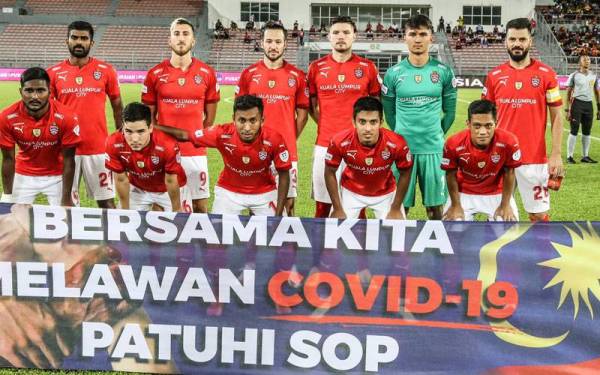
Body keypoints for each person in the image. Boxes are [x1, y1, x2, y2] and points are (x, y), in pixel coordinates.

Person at [483, 17, 564, 222]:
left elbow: (557, 117)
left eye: (522, 39)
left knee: (538, 215)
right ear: (505, 41)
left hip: (534, 158)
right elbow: (484, 119)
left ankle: (543, 253)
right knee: (500, 216)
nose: (517, 44)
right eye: (512, 39)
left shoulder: (547, 74)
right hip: (500, 158)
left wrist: (555, 154)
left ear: (530, 41)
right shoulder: (494, 76)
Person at [382, 14, 457, 220]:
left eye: (423, 34)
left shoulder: (443, 72)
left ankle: (437, 251)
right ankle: (399, 252)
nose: (417, 39)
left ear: (431, 38)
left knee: (435, 210)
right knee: (400, 209)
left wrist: (436, 132)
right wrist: (401, 135)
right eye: (412, 34)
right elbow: (389, 111)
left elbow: (450, 112)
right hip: (403, 150)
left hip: (433, 149)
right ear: (404, 38)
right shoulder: (393, 73)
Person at [142, 18, 220, 214]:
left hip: (195, 152)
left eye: (186, 34)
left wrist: (195, 138)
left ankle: (200, 245)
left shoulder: (207, 73)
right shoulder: (154, 74)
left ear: (194, 41)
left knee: (200, 207)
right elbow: (148, 120)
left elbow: (209, 119)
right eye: (176, 34)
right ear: (169, 40)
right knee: (160, 207)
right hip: (162, 152)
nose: (181, 38)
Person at [307, 16, 381, 218]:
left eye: (346, 32)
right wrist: (327, 124)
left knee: (358, 205)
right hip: (325, 144)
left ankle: (359, 249)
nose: (341, 37)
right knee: (323, 207)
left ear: (354, 36)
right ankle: (321, 249)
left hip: (358, 147)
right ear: (329, 36)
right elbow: (312, 107)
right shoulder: (316, 67)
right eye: (336, 32)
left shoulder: (367, 67)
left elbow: (375, 107)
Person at [236, 21, 309, 215]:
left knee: (289, 205)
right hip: (255, 151)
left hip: (286, 151)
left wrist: (288, 138)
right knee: (256, 205)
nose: (273, 46)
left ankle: (288, 245)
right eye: (269, 41)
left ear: (285, 44)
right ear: (261, 42)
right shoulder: (248, 74)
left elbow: (302, 115)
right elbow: (238, 115)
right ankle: (259, 245)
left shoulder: (297, 76)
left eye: (278, 41)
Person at [47, 21, 122, 209]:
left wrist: (121, 136)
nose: (79, 42)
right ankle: (68, 239)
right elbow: (47, 112)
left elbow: (117, 104)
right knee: (66, 205)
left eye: (84, 38)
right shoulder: (53, 73)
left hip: (98, 148)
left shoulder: (106, 70)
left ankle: (111, 239)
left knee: (106, 203)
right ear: (67, 41)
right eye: (74, 37)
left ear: (91, 43)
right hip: (65, 150)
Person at [179, 94, 291, 216]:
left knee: (274, 231)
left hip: (265, 192)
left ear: (262, 120)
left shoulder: (274, 138)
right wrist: (157, 128)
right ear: (234, 119)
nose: (247, 128)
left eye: (253, 120)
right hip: (229, 191)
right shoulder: (222, 133)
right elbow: (186, 136)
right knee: (219, 230)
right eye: (242, 120)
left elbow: (284, 174)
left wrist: (278, 214)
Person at [0, 67, 81, 206]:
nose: (34, 96)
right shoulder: (6, 117)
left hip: (58, 175)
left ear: (49, 92)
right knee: (9, 220)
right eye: (29, 90)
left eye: (40, 90)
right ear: (21, 92)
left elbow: (69, 159)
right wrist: (8, 196)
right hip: (23, 174)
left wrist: (66, 198)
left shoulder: (67, 116)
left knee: (68, 219)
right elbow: (8, 159)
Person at [325, 97, 413, 220]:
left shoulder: (397, 143)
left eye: (373, 122)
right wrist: (338, 208)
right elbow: (329, 172)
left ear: (381, 122)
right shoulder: (339, 141)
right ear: (353, 121)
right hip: (351, 192)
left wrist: (395, 208)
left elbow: (406, 172)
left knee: (396, 233)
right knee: (336, 232)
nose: (367, 129)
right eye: (362, 122)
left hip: (385, 193)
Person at [442, 100, 522, 221]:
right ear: (468, 124)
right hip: (464, 192)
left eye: (488, 125)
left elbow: (509, 172)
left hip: (496, 192)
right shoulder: (453, 143)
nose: (483, 132)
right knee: (452, 228)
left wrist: (505, 205)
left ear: (496, 123)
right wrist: (455, 205)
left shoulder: (509, 142)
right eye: (477, 126)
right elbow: (450, 174)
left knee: (508, 228)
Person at [105, 102, 188, 212]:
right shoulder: (113, 142)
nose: (134, 139)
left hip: (169, 189)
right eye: (128, 131)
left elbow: (171, 181)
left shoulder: (167, 145)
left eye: (140, 131)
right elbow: (121, 179)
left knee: (184, 225)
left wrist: (177, 210)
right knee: (123, 224)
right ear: (123, 128)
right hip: (139, 188)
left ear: (150, 128)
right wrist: (125, 212)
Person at [565, 54, 599, 163]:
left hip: (589, 105)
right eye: (585, 60)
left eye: (589, 59)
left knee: (587, 131)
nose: (587, 61)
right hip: (577, 104)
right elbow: (568, 93)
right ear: (580, 62)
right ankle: (569, 156)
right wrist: (567, 109)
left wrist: (599, 108)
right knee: (574, 130)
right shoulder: (574, 75)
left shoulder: (594, 75)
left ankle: (585, 156)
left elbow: (597, 92)